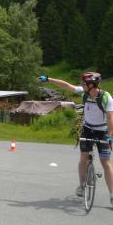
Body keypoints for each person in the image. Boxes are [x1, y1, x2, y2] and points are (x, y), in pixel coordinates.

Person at [38, 72, 113, 205]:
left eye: (84, 83)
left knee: (106, 163)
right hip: (88, 129)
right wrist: (49, 79)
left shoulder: (106, 97)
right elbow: (67, 86)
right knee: (83, 157)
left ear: (91, 85)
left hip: (103, 131)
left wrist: (110, 136)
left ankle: (112, 195)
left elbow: (110, 118)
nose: (81, 85)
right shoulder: (84, 93)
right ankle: (82, 185)